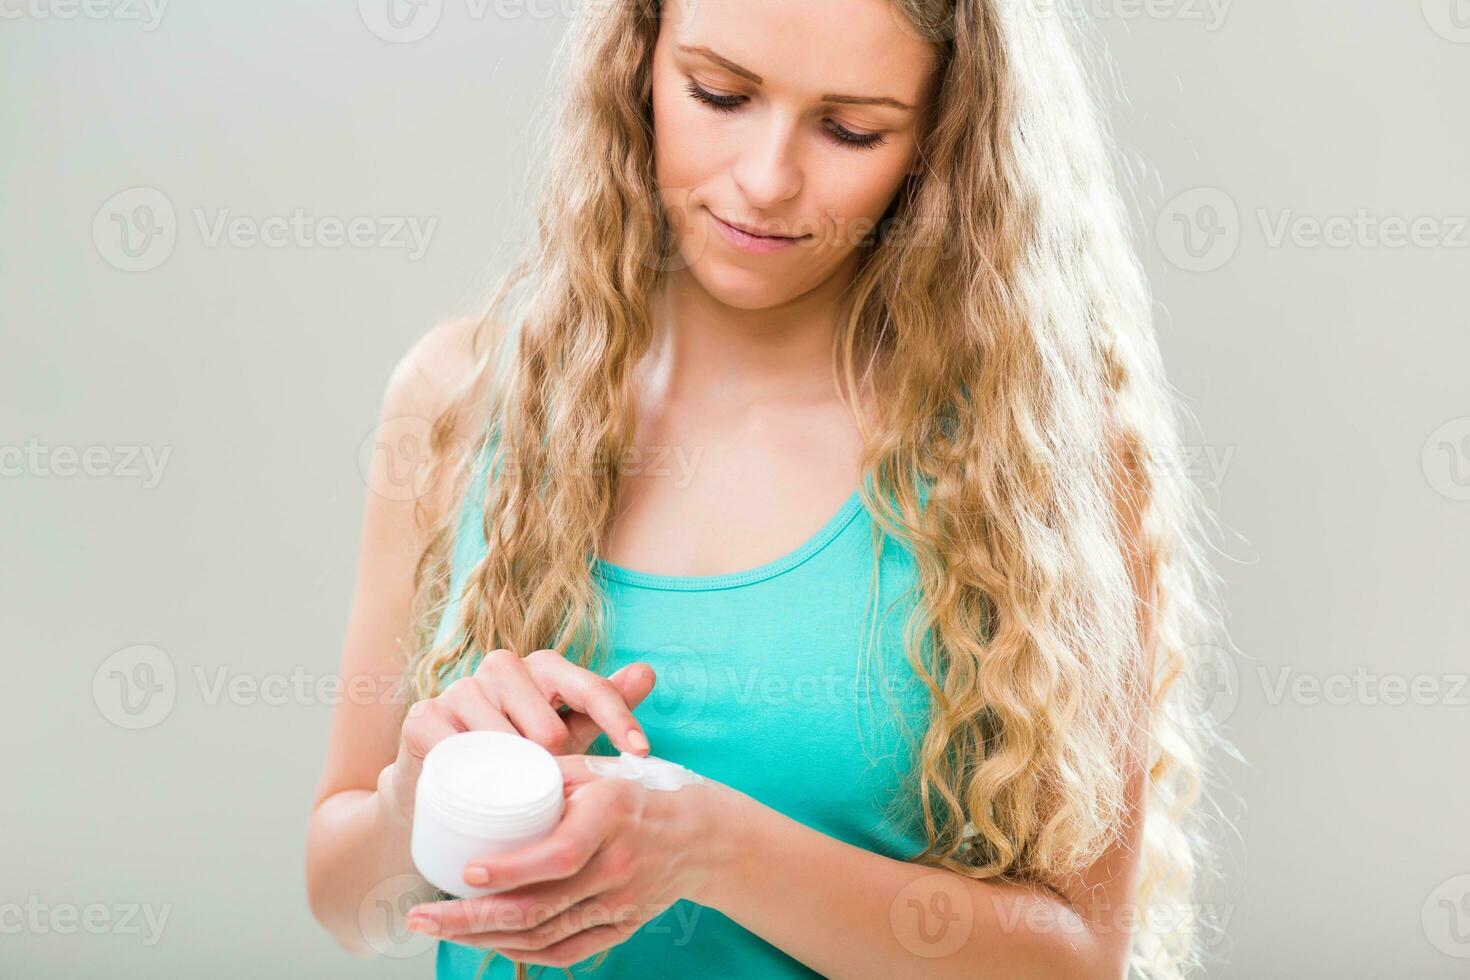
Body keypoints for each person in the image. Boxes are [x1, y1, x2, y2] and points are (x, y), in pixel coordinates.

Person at [307, 0, 1234, 977]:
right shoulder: (459, 398)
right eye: (719, 93)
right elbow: (343, 896)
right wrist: (419, 797)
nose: (765, 179)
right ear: (639, 62)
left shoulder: (1032, 457)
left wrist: (711, 846)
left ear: (941, 136)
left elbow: (1079, 956)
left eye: (849, 128)